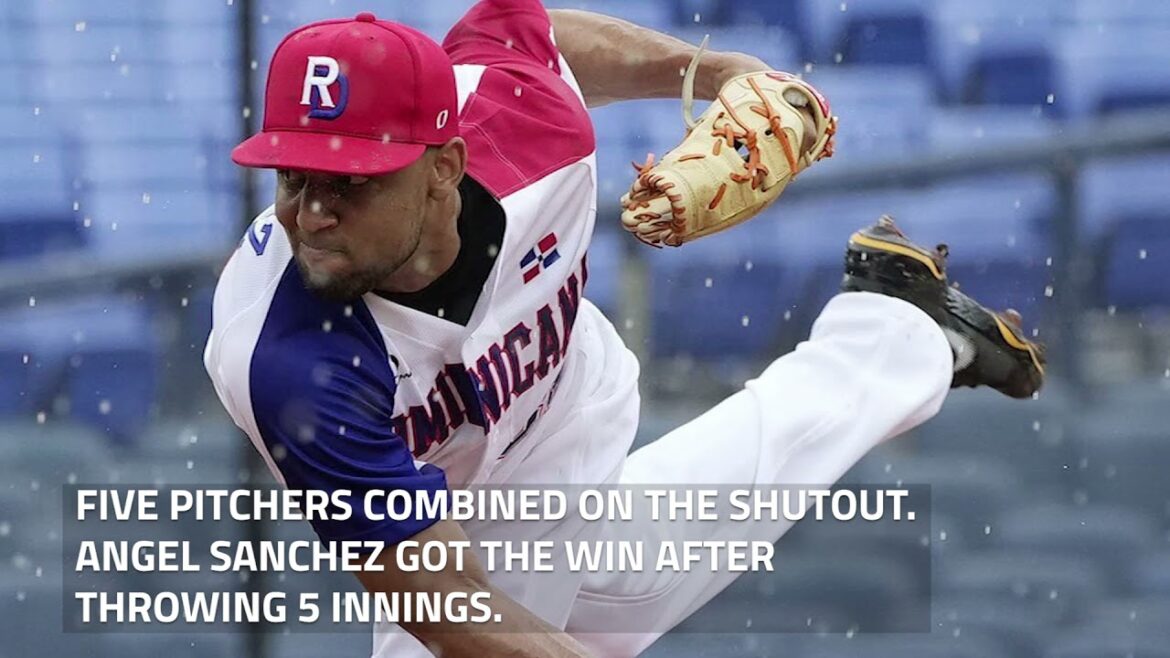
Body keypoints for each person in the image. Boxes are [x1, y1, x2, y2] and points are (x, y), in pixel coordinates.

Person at [204, 1, 1044, 656]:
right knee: (632, 586)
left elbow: (542, 39)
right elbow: (445, 604)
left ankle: (897, 335)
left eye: (351, 180)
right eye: (293, 175)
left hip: (563, 397)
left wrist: (715, 72)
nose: (312, 212)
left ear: (443, 169)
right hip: (444, 491)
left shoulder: (527, 125)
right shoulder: (288, 361)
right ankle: (901, 331)